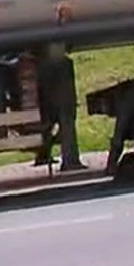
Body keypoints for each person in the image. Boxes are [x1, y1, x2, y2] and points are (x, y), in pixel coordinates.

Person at [32, 42, 85, 171]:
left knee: (49, 121)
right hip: (60, 96)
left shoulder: (43, 65)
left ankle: (44, 153)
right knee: (65, 120)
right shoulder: (63, 64)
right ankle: (70, 159)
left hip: (49, 95)